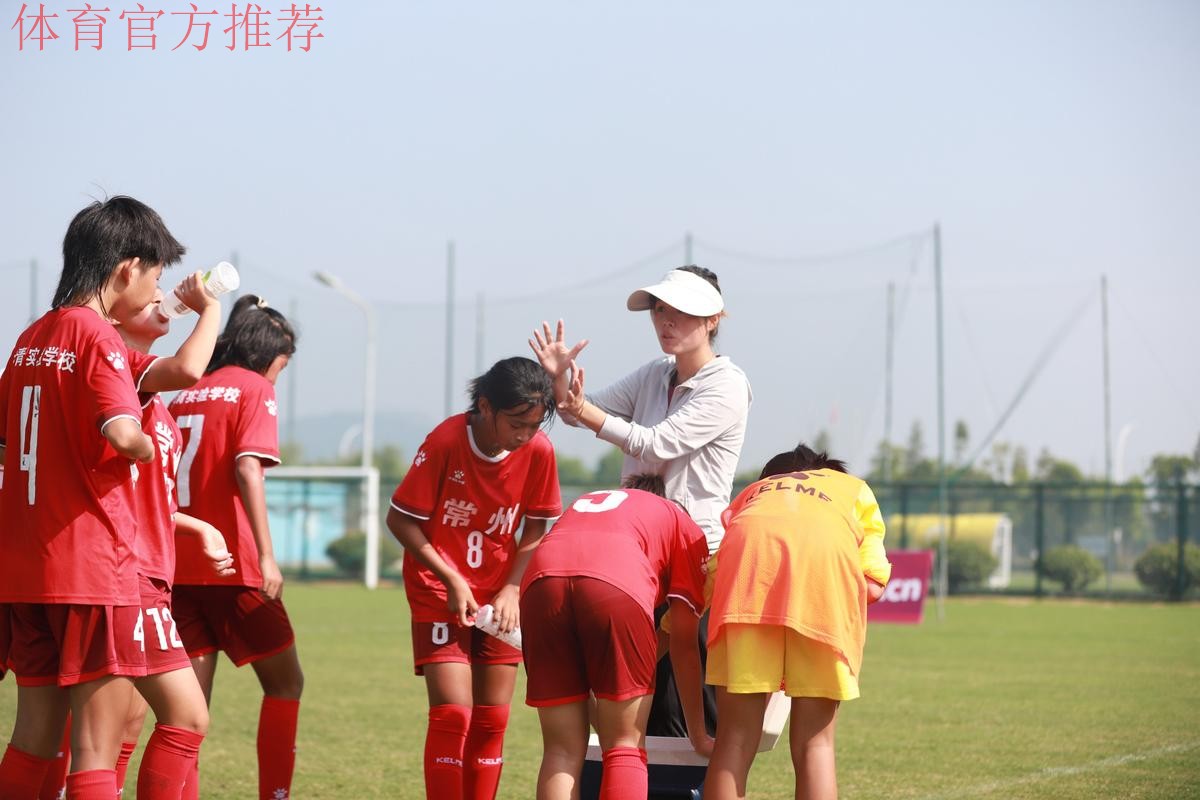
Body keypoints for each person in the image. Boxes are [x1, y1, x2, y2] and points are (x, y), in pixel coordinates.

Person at [0, 196, 177, 800]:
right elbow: (125, 434)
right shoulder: (95, 334)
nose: (155, 293)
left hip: (27, 571)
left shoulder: (31, 336)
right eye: (155, 277)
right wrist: (146, 448)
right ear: (128, 269)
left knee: (31, 740)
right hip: (91, 570)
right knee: (96, 751)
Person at [530, 264, 752, 736]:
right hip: (639, 555)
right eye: (658, 309)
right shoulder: (655, 373)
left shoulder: (727, 384)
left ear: (714, 319)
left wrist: (580, 407)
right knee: (636, 699)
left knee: (678, 704)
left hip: (696, 555)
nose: (665, 321)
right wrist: (560, 382)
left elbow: (653, 444)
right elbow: (579, 410)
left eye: (680, 312)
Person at [387, 356, 562, 800]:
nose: (525, 436)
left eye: (534, 426)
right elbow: (400, 520)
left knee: (492, 720)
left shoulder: (539, 452)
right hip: (438, 591)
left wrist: (512, 588)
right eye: (516, 424)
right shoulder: (446, 441)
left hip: (500, 599)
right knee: (453, 715)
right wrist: (450, 578)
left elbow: (536, 527)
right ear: (485, 406)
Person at [167, 294, 302, 800]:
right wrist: (267, 556)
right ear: (270, 354)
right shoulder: (254, 387)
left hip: (179, 564)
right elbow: (248, 466)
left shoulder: (184, 389)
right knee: (286, 684)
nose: (279, 376)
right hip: (235, 566)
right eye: (283, 365)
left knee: (188, 710)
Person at [703, 443, 892, 800]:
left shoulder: (753, 493)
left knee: (734, 740)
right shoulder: (853, 490)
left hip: (746, 596)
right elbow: (873, 586)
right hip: (822, 603)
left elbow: (712, 578)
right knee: (815, 746)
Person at [111, 287, 239, 799]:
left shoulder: (159, 409)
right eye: (150, 292)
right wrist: (211, 308)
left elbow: (149, 500)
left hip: (150, 576)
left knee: (124, 724)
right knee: (184, 718)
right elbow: (187, 368)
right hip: (124, 575)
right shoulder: (117, 375)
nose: (163, 299)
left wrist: (198, 528)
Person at [520, 472, 713, 800]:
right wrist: (698, 734)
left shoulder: (597, 502)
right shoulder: (683, 525)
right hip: (615, 583)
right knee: (625, 746)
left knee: (561, 750)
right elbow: (684, 643)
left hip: (540, 583)